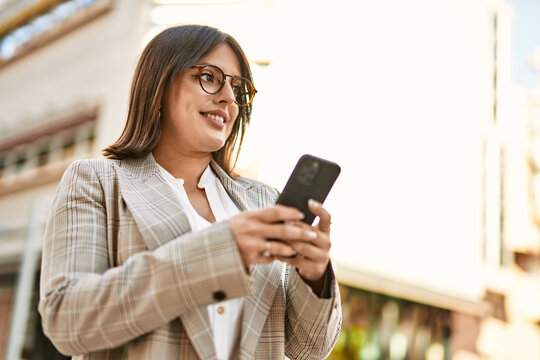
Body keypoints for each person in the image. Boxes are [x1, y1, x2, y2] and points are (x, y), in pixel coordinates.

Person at [38, 24, 341, 359]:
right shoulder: (96, 181)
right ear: (160, 82)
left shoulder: (262, 201)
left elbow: (308, 349)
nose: (228, 97)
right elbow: (66, 320)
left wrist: (314, 277)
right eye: (209, 77)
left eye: (238, 87)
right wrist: (222, 251)